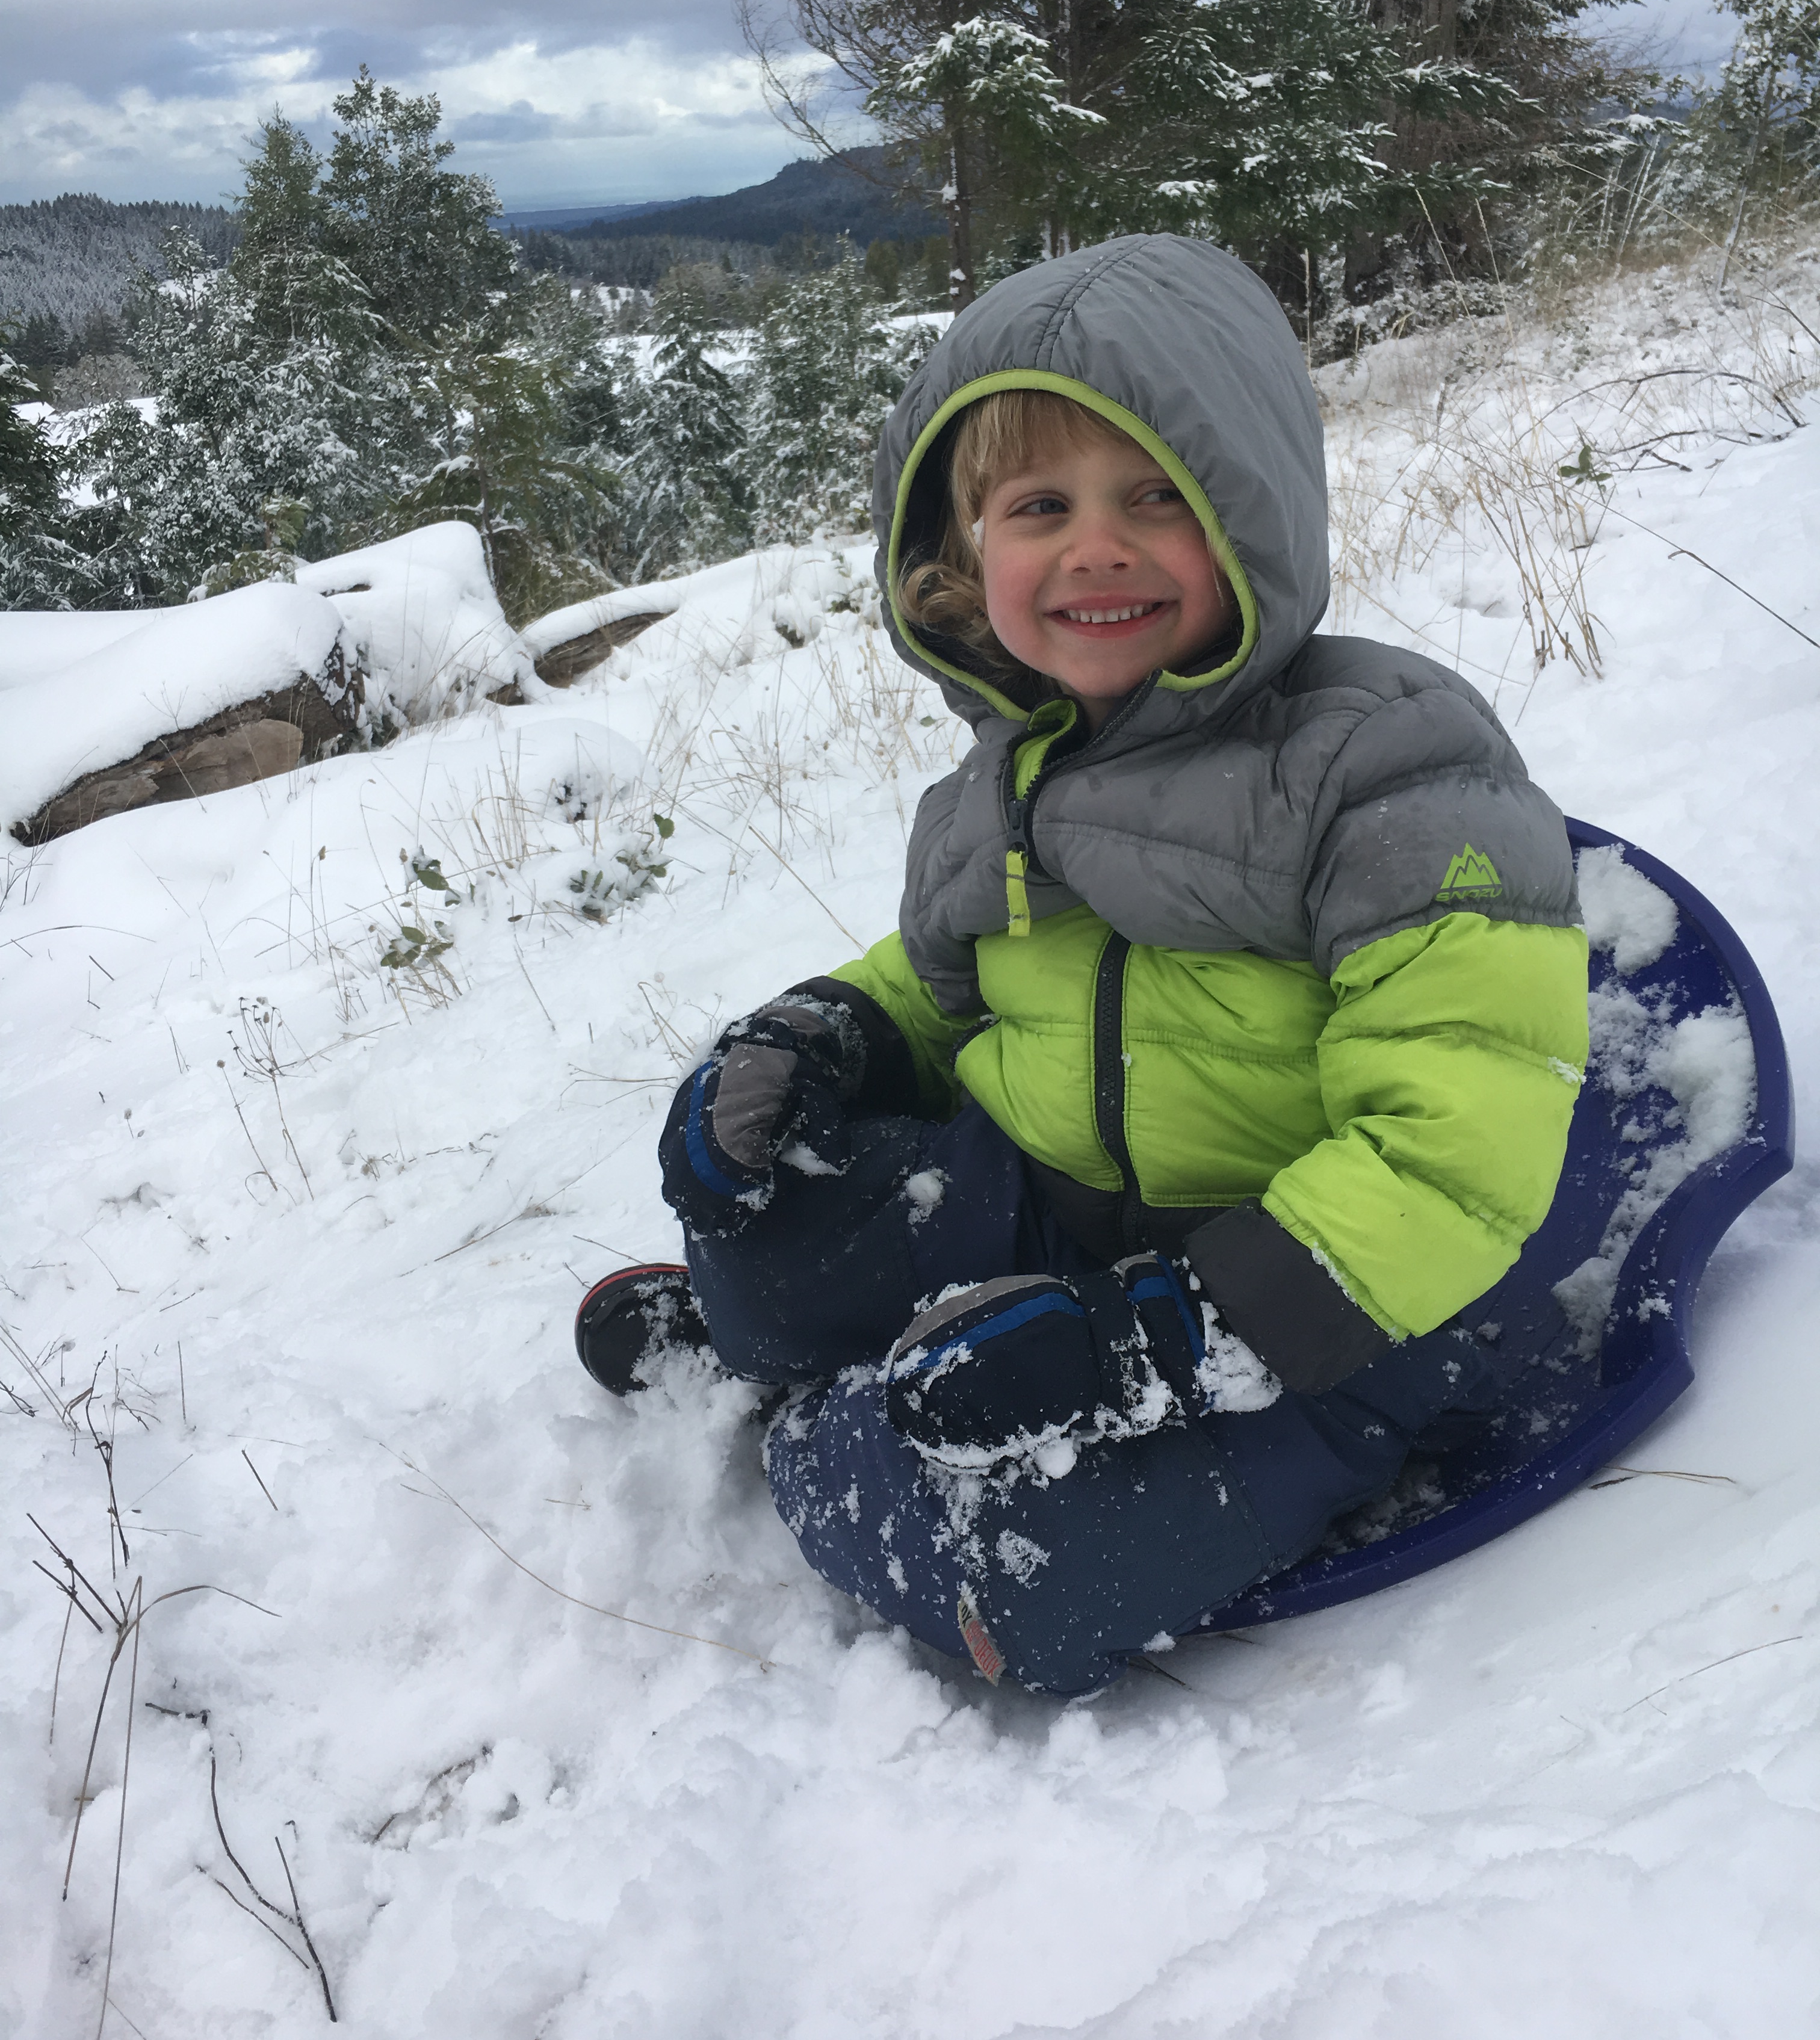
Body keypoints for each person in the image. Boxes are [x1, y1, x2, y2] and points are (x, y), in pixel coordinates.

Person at [574, 235, 1589, 1696]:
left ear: (1254, 511)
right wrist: (822, 1037)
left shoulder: (1386, 765)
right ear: (962, 552)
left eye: (1158, 496)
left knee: (1017, 1577)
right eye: (1041, 506)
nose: (1097, 547)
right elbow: (947, 976)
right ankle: (795, 1345)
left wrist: (1160, 1341)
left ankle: (820, 1421)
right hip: (1044, 1216)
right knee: (769, 1203)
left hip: (1317, 1314)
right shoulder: (1009, 766)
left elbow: (1457, 1144)